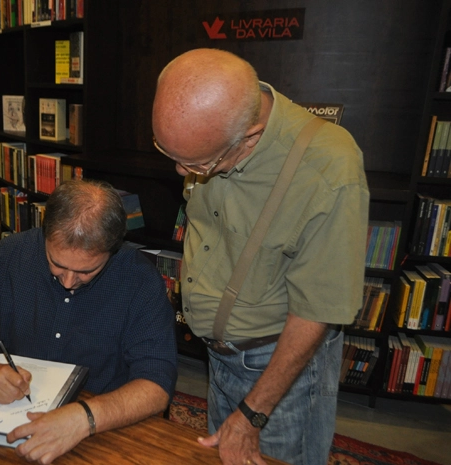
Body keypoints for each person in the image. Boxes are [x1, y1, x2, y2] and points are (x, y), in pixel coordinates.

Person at [151, 48, 369, 465]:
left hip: (281, 370)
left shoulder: (327, 168)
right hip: (219, 356)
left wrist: (254, 412)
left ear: (249, 137)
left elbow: (318, 310)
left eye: (196, 163)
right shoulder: (209, 133)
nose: (182, 173)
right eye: (169, 154)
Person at [0, 179, 177, 464]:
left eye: (87, 271)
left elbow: (156, 386)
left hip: (101, 426)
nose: (68, 281)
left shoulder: (140, 280)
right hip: (13, 415)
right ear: (45, 235)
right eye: (57, 264)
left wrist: (84, 417)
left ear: (112, 249)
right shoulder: (11, 254)